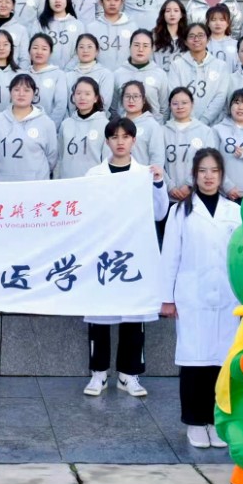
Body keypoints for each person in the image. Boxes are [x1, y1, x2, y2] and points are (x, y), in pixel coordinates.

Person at [82, 118, 169, 397]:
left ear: (133, 140)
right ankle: (98, 373)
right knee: (100, 313)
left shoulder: (145, 173)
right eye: (114, 137)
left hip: (135, 252)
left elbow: (160, 213)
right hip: (104, 252)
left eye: (125, 137)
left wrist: (158, 183)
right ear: (107, 141)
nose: (120, 142)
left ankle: (128, 375)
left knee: (134, 313)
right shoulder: (94, 174)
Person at [160, 148, 239, 449]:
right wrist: (167, 298)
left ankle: (217, 421)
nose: (208, 177)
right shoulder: (180, 212)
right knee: (195, 362)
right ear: (194, 175)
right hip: (192, 296)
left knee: (222, 362)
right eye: (203, 171)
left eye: (214, 171)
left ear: (221, 175)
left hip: (228, 296)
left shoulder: (234, 212)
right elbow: (170, 256)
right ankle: (195, 422)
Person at [0, 73, 58, 181]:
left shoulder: (46, 123)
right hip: (5, 183)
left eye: (27, 90)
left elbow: (52, 156)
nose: (21, 94)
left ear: (34, 94)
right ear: (10, 92)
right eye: (16, 90)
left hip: (36, 183)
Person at [168, 22, 231, 126]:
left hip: (212, 125)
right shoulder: (176, 65)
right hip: (182, 123)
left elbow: (220, 97)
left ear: (208, 39)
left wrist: (204, 121)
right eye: (191, 36)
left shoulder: (221, 66)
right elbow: (175, 95)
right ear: (185, 41)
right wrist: (189, 122)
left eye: (201, 35)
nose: (196, 39)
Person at [162, 87, 218, 204]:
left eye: (184, 103)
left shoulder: (205, 131)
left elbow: (209, 162)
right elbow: (157, 163)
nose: (180, 107)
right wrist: (170, 186)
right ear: (170, 106)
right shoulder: (162, 131)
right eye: (175, 103)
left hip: (198, 195)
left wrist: (189, 185)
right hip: (168, 196)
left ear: (192, 104)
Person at [56, 76, 110, 178]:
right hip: (67, 181)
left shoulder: (105, 125)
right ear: (73, 96)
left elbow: (107, 160)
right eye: (78, 93)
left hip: (93, 182)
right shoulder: (66, 124)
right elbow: (60, 157)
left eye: (87, 94)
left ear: (96, 98)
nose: (82, 97)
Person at [112, 30, 167, 118]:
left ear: (152, 48)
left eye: (145, 46)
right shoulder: (118, 74)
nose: (141, 49)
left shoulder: (160, 74)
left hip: (153, 125)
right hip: (125, 125)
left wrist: (157, 124)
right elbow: (113, 108)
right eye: (136, 45)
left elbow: (164, 109)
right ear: (130, 47)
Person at [65, 33, 115, 118]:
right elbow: (65, 105)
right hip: (72, 120)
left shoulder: (105, 74)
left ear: (97, 51)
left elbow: (104, 104)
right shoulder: (68, 76)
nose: (85, 50)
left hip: (98, 120)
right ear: (76, 51)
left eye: (89, 47)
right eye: (81, 47)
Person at [119, 80, 167, 170]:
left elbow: (157, 158)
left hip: (144, 176)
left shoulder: (152, 126)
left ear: (143, 100)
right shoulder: (117, 125)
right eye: (127, 96)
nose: (131, 100)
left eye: (136, 96)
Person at [87, 0, 135, 70]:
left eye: (116, 0)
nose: (112, 3)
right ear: (101, 2)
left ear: (122, 2)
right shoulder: (91, 28)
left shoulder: (132, 27)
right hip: (99, 74)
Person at [37, 0, 82, 70]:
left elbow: (79, 52)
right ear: (48, 0)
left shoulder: (78, 25)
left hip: (72, 72)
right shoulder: (40, 24)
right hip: (45, 72)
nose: (57, 0)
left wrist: (68, 70)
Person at [27, 34, 68, 124]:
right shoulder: (23, 74)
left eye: (44, 49)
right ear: (29, 50)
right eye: (35, 48)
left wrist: (50, 126)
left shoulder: (58, 74)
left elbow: (60, 105)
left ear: (50, 52)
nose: (39, 52)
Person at [151, 0, 188, 72]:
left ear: (181, 14)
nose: (172, 14)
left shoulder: (188, 36)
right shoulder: (154, 36)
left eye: (176, 11)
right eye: (168, 11)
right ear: (163, 14)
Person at [206, 4, 238, 73]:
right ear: (208, 23)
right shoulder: (202, 44)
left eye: (222, 20)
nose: (218, 23)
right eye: (213, 20)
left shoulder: (236, 44)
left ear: (228, 23)